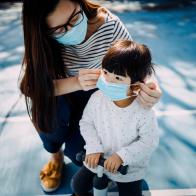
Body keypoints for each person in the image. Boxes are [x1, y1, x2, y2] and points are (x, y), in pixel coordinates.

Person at [19, 0, 162, 192]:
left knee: (83, 155)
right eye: (59, 30)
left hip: (98, 96)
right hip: (59, 95)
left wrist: (152, 88)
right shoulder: (42, 39)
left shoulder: (110, 26)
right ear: (43, 30)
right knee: (49, 123)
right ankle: (55, 156)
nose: (71, 30)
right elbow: (30, 87)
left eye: (74, 18)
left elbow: (135, 64)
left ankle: (69, 153)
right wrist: (76, 82)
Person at [71, 40, 159, 196]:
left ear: (136, 85)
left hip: (127, 168)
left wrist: (122, 156)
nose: (108, 81)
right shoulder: (97, 98)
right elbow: (86, 123)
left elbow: (149, 142)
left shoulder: (144, 111)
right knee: (77, 186)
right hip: (96, 159)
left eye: (118, 78)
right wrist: (93, 147)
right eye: (105, 72)